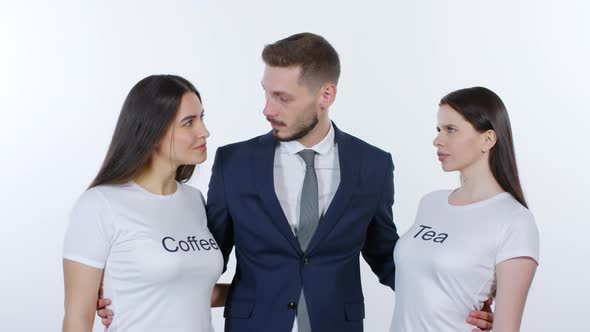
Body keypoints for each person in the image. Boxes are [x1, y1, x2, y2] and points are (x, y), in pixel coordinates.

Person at [98, 33, 494, 332]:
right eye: (266, 94)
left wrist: (459, 298)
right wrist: (133, 290)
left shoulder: (371, 164)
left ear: (326, 94)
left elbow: (386, 255)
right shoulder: (235, 162)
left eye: (283, 98)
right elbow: (206, 253)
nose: (267, 109)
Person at [62, 75, 228, 332]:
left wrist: (279, 289)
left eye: (202, 118)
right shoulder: (100, 204)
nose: (204, 131)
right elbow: (77, 320)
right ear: (152, 133)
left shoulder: (194, 201)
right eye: (188, 122)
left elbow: (189, 293)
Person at [391, 87, 539, 332]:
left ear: (488, 139)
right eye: (438, 130)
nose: (437, 140)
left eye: (451, 130)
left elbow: (507, 328)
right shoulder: (430, 203)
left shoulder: (515, 221)